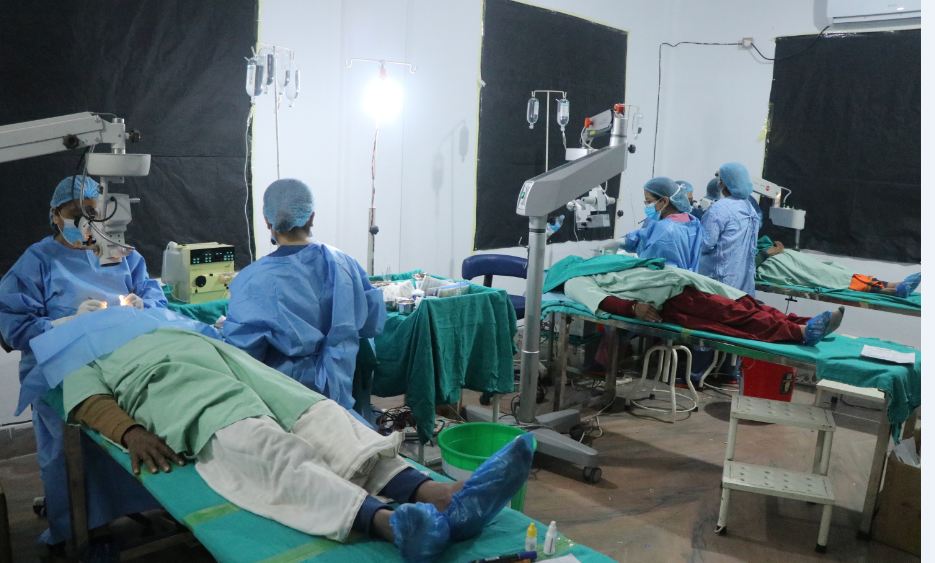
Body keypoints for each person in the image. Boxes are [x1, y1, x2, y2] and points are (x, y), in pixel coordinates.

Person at [37, 306, 534, 562]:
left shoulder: (168, 323)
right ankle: (391, 524)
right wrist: (129, 431)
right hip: (188, 394)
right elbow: (86, 401)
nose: (112, 311)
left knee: (331, 422)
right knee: (268, 451)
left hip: (246, 374)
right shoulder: (82, 355)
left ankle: (446, 497)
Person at [0, 175, 168, 545]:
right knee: (72, 451)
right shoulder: (38, 261)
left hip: (121, 361)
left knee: (144, 423)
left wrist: (143, 304)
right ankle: (80, 528)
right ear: (55, 216)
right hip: (62, 366)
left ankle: (147, 501)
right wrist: (62, 324)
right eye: (74, 213)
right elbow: (13, 324)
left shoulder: (120, 252)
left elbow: (154, 295)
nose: (85, 222)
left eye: (91, 212)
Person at [222, 179, 385, 418]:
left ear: (267, 221)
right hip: (340, 391)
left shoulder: (253, 279)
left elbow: (242, 355)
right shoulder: (345, 264)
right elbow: (372, 323)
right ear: (312, 217)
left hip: (287, 401)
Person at [545, 254, 844, 346]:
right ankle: (800, 333)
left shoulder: (600, 264)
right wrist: (633, 308)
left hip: (680, 281)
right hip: (670, 299)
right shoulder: (574, 281)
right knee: (734, 315)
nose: (576, 261)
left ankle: (804, 322)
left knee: (745, 303)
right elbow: (601, 301)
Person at [756, 237, 921, 297]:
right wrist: (765, 253)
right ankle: (887, 290)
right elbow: (748, 264)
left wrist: (773, 247)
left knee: (835, 268)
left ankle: (890, 284)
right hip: (773, 265)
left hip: (782, 256)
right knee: (826, 275)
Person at [698, 162, 762, 296]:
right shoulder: (750, 209)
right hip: (742, 285)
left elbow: (704, 244)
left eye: (720, 180)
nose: (719, 183)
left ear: (724, 183)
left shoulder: (719, 208)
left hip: (718, 283)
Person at [616, 177, 702, 271]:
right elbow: (644, 235)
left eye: (649, 201)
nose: (646, 205)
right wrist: (622, 241)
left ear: (664, 201)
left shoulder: (665, 229)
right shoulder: (693, 222)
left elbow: (651, 265)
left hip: (666, 279)